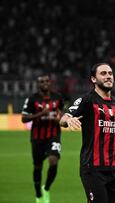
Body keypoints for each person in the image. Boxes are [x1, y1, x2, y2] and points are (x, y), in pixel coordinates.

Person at [59, 63, 115, 203]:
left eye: (110, 73)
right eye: (103, 74)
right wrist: (68, 120)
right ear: (93, 79)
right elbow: (64, 118)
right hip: (93, 169)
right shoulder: (87, 100)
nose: (108, 76)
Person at [21, 74, 64, 203]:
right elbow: (24, 118)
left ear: (50, 83)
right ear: (38, 84)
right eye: (41, 81)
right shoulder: (32, 99)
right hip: (37, 137)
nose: (45, 83)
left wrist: (60, 117)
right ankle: (38, 192)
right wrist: (40, 114)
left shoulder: (58, 97)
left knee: (53, 161)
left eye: (46, 81)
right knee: (38, 167)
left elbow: (62, 111)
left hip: (53, 135)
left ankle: (46, 187)